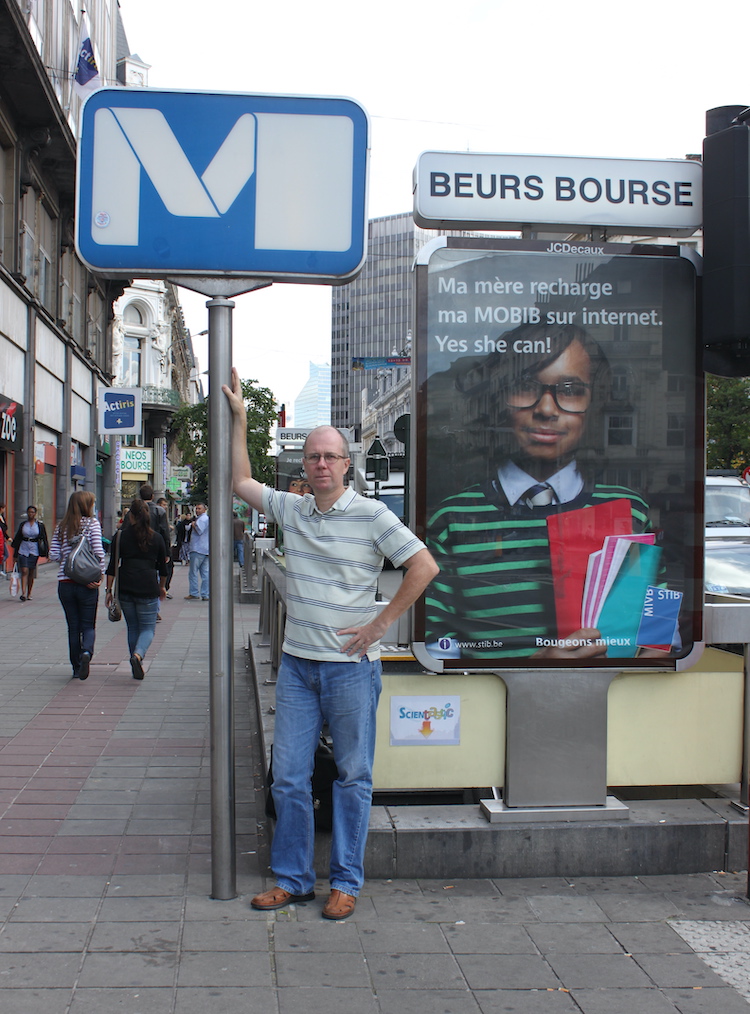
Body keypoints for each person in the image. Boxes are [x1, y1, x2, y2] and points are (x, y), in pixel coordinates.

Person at [223, 368, 438, 920]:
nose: (320, 464)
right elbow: (239, 483)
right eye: (313, 457)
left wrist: (380, 623)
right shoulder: (292, 512)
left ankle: (345, 881)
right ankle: (293, 879)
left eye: (331, 457)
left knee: (352, 777)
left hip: (350, 667)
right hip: (297, 666)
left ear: (347, 464)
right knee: (289, 777)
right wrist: (242, 421)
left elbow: (423, 565)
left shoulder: (372, 515)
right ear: (306, 464)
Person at [425, 322, 651, 662]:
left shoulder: (629, 511)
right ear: (499, 399)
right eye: (525, 386)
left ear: (595, 402)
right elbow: (435, 646)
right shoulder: (452, 519)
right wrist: (531, 668)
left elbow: (660, 632)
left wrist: (644, 654)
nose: (547, 409)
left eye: (571, 390)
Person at [105, 498, 168, 680]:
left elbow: (112, 566)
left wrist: (109, 591)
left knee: (132, 627)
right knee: (148, 628)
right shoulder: (156, 538)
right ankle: (138, 655)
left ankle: (135, 659)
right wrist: (162, 587)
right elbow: (163, 569)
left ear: (130, 516)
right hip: (148, 585)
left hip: (125, 585)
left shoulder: (120, 536)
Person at [49, 491, 106, 679]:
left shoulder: (61, 526)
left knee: (73, 626)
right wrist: (100, 574)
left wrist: (68, 559)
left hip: (65, 583)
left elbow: (54, 555)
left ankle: (75, 667)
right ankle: (87, 653)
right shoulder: (92, 524)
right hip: (87, 583)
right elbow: (98, 551)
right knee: (88, 625)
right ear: (86, 505)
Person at [11, 505, 49, 602]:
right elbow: (18, 538)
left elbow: (44, 539)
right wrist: (15, 554)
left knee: (31, 571)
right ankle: (23, 593)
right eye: (29, 512)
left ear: (35, 513)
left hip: (34, 549)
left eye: (32, 512)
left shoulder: (39, 525)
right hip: (23, 548)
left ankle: (29, 593)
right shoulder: (23, 524)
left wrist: (47, 552)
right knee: (24, 570)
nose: (30, 514)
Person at [184, 503, 209, 600]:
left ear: (204, 510)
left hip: (198, 548)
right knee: (205, 573)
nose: (197, 510)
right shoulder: (206, 519)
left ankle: (194, 593)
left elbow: (199, 530)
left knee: (193, 572)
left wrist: (194, 525)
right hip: (205, 549)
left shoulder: (202, 519)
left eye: (199, 508)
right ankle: (205, 593)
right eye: (196, 508)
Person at [156, 496, 175, 597]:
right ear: (158, 505)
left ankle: (163, 587)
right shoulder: (159, 514)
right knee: (166, 568)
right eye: (164, 505)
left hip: (158, 546)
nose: (166, 507)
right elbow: (164, 533)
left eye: (166, 505)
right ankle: (163, 588)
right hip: (162, 546)